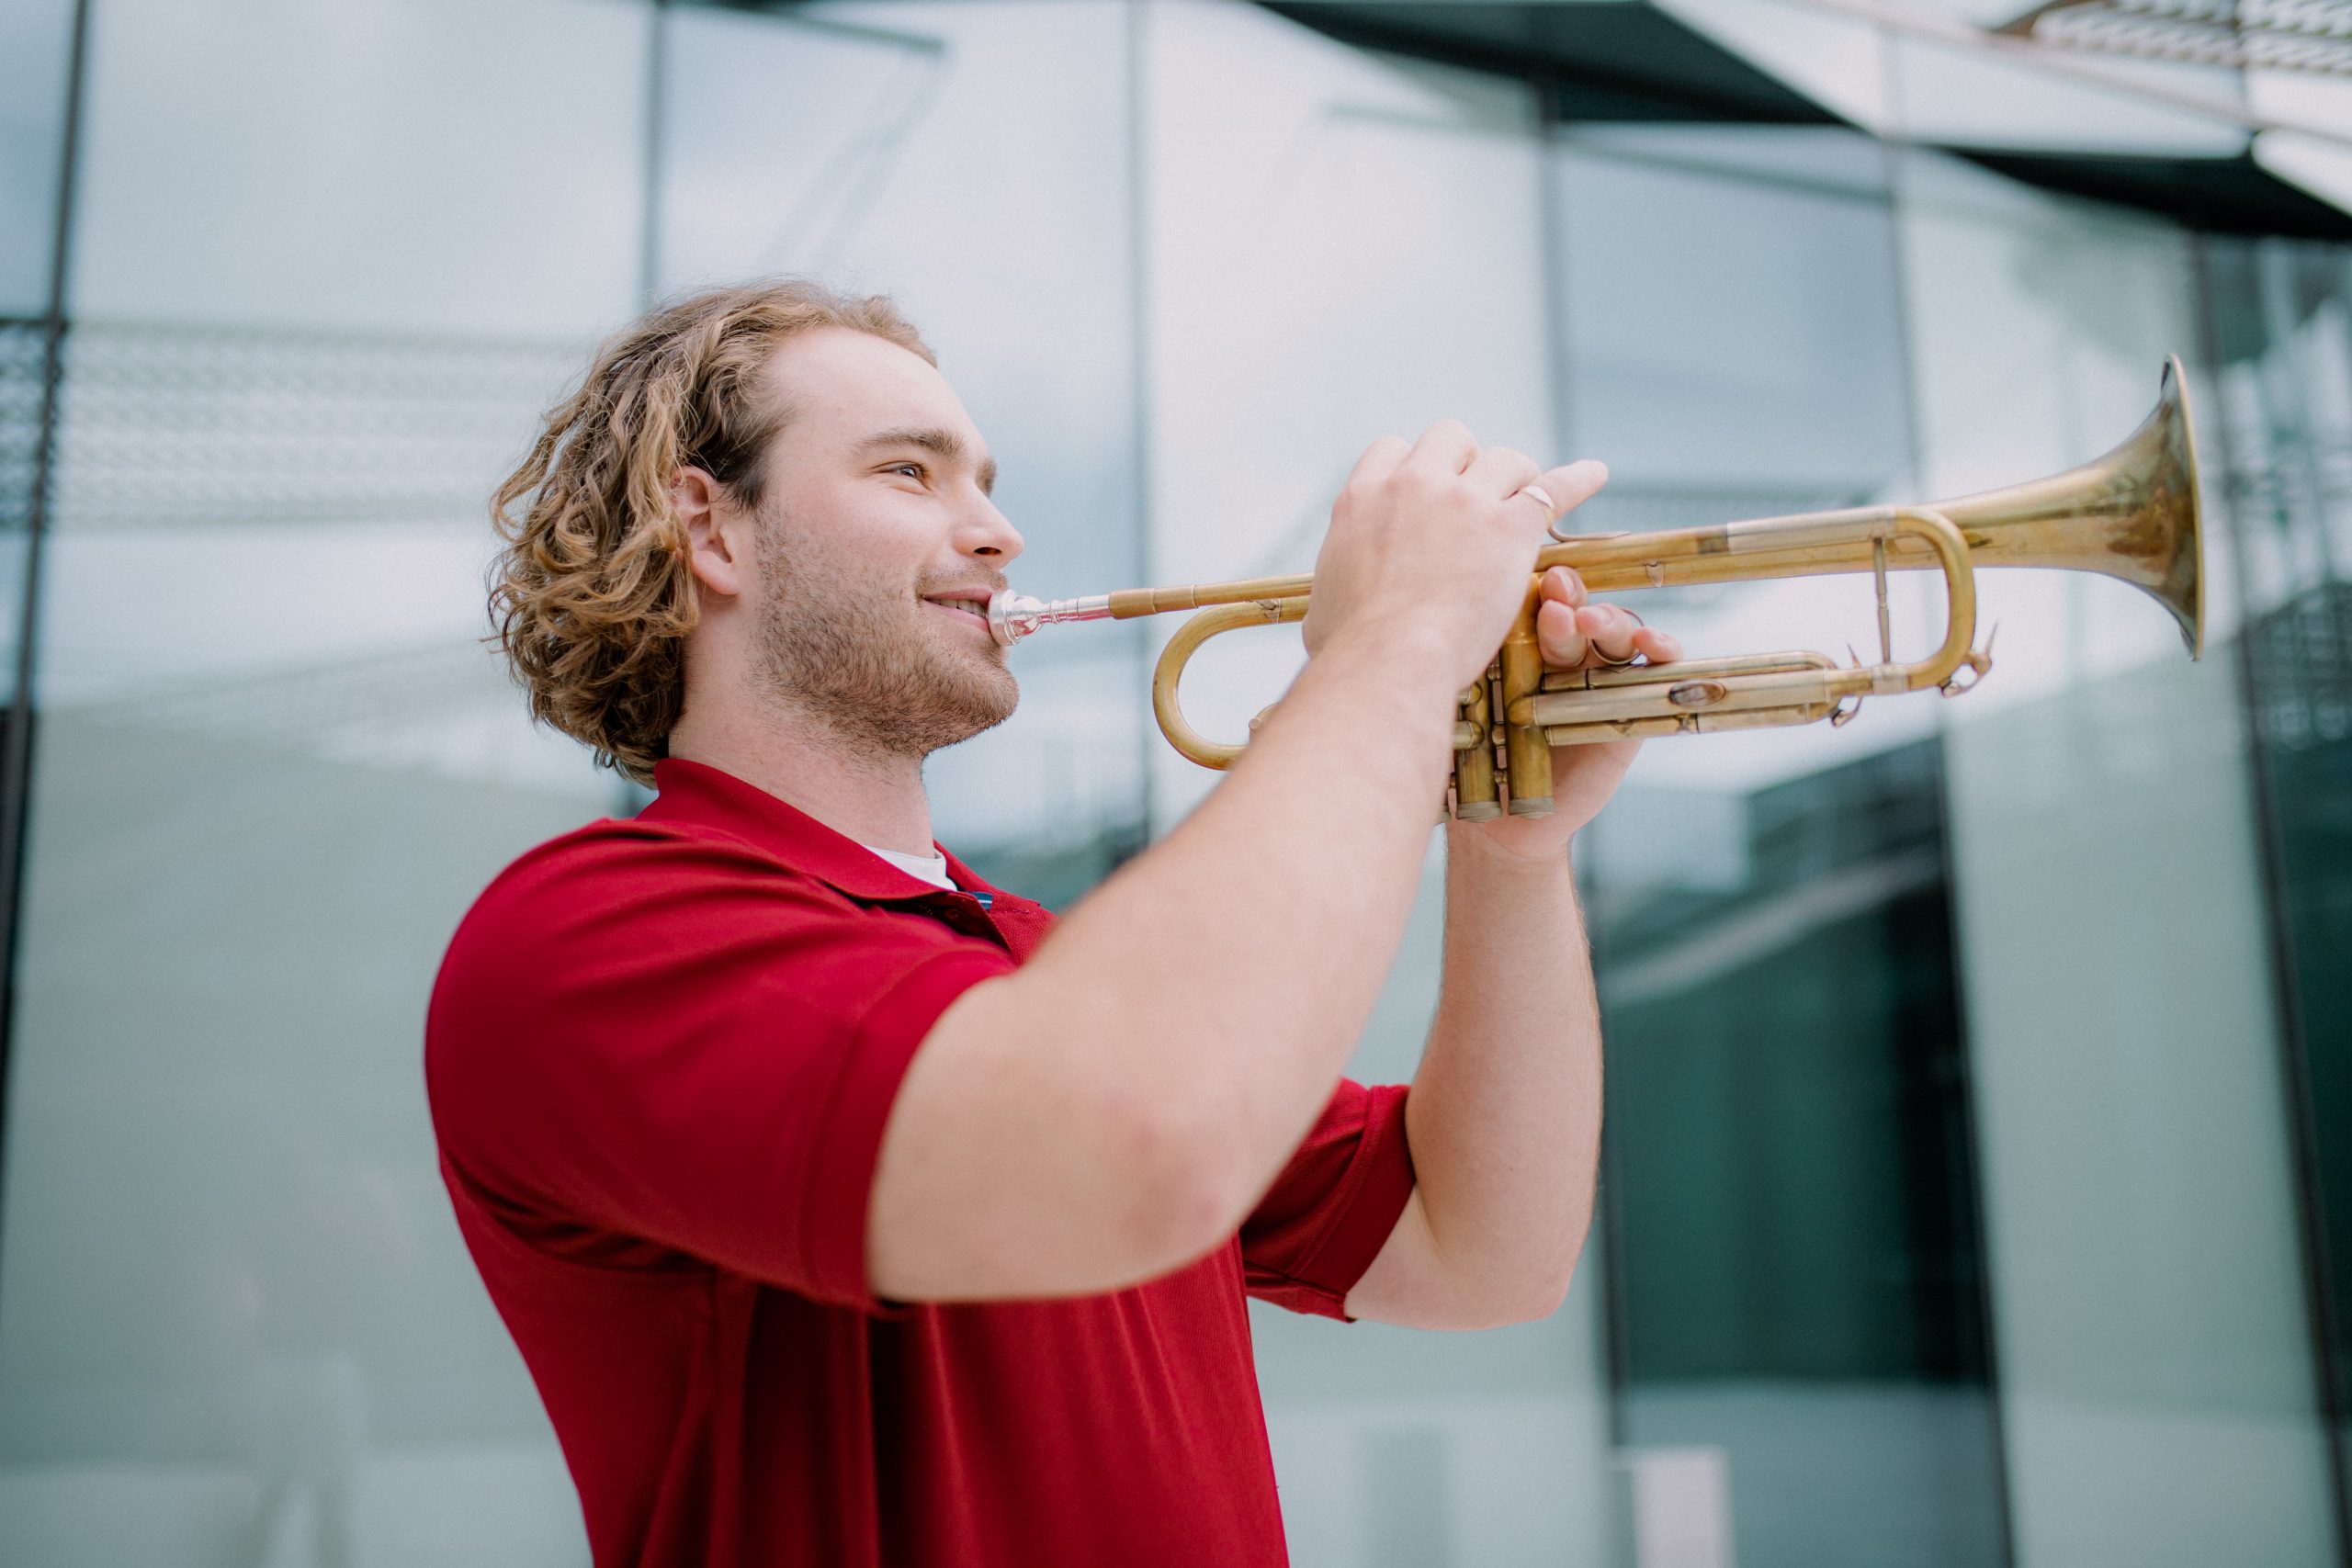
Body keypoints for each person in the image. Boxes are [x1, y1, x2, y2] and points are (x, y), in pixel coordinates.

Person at [425, 279, 1679, 1568]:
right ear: (713, 527)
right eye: (910, 473)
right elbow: (1131, 1139)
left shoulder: (1037, 960)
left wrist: (1510, 851)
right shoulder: (588, 932)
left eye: (987, 480)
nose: (1000, 534)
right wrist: (1406, 639)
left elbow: (1480, 1250)